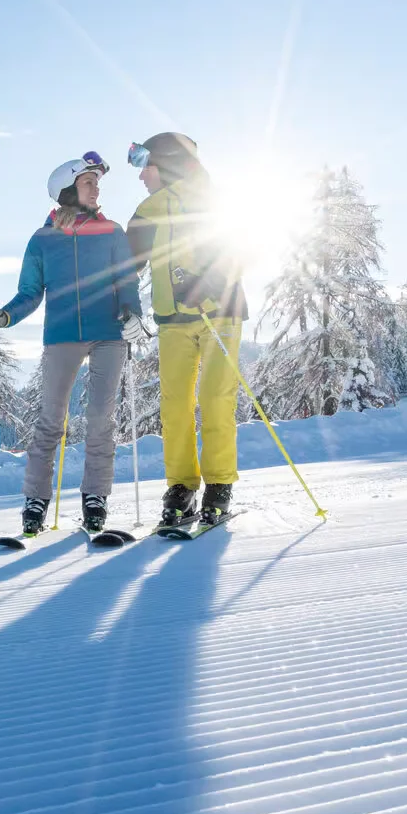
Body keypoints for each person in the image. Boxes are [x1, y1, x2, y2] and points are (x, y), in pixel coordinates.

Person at [0, 152, 143, 535]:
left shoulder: (112, 231)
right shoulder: (42, 240)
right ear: (68, 190)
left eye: (96, 182)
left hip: (109, 335)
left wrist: (133, 314)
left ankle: (95, 498)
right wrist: (4, 316)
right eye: (89, 182)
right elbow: (30, 292)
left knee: (102, 420)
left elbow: (127, 283)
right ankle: (35, 501)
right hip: (63, 335)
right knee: (51, 421)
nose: (97, 187)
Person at [125, 132, 248, 528]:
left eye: (148, 165)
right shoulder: (148, 210)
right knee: (174, 405)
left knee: (215, 399)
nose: (142, 175)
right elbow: (127, 265)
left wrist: (209, 282)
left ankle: (218, 485)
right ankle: (181, 487)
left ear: (170, 163)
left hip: (219, 314)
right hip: (172, 319)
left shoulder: (214, 202)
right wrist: (124, 303)